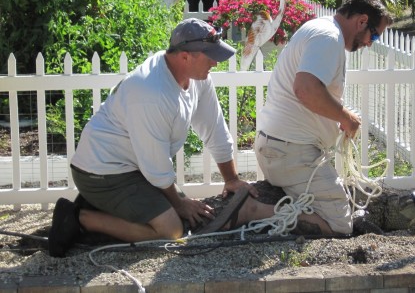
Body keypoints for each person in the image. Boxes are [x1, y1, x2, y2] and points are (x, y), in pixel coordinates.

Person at [48, 18, 276, 257]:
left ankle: (104, 209)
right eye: (210, 55)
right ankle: (79, 216)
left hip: (132, 167)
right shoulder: (150, 92)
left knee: (184, 215)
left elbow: (214, 129)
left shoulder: (197, 79)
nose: (215, 62)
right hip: (102, 173)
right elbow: (156, 166)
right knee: (172, 230)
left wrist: (231, 180)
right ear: (185, 56)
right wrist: (179, 203)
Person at [254, 0, 393, 235]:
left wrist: (338, 114)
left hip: (283, 149)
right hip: (292, 153)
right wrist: (345, 118)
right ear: (361, 22)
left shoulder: (321, 29)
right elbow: (306, 89)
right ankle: (252, 210)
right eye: (375, 35)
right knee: (339, 226)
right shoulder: (328, 37)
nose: (371, 42)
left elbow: (312, 92)